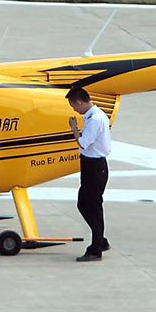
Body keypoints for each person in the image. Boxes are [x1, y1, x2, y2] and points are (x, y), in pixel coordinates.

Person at [66, 86, 112, 262]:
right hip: (91, 165)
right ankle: (100, 239)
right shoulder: (96, 115)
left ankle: (96, 247)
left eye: (74, 106)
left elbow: (83, 143)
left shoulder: (94, 119)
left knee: (91, 206)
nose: (74, 110)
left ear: (80, 101)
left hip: (94, 166)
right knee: (85, 204)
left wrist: (74, 128)